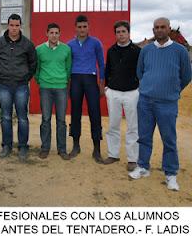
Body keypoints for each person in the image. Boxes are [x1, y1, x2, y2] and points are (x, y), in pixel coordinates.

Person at [129, 17, 191, 191]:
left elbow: (187, 75)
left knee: (169, 139)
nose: (159, 30)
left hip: (167, 103)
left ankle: (171, 174)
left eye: (163, 27)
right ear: (153, 30)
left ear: (169, 29)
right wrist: (149, 86)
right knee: (144, 136)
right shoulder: (146, 50)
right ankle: (142, 167)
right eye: (156, 27)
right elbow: (140, 72)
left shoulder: (180, 51)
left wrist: (173, 91)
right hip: (146, 102)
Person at [0, 14, 36, 162]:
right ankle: (7, 146)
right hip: (4, 86)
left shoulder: (27, 44)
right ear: (7, 26)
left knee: (22, 118)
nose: (14, 29)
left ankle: (23, 147)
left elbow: (33, 64)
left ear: (20, 26)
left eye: (17, 26)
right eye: (12, 25)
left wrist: (25, 78)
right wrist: (0, 75)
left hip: (21, 86)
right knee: (5, 117)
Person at [67, 15, 105, 163]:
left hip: (91, 79)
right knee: (75, 112)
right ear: (75, 28)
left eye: (84, 27)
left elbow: (101, 64)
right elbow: (68, 66)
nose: (82, 29)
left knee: (95, 113)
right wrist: (68, 84)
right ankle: (76, 146)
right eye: (79, 27)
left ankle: (97, 149)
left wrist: (101, 84)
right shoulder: (70, 44)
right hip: (75, 79)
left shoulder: (96, 43)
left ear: (88, 27)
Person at [104, 20, 140, 171]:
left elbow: (141, 70)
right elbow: (108, 70)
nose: (121, 34)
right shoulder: (111, 50)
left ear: (128, 32)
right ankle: (113, 154)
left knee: (133, 126)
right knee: (113, 124)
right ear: (115, 34)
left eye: (123, 31)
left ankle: (132, 159)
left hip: (132, 92)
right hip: (114, 92)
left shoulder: (137, 51)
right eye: (118, 32)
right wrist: (107, 87)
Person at [35, 23, 71, 160]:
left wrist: (63, 81)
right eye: (51, 33)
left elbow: (68, 68)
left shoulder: (66, 49)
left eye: (56, 33)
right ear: (47, 34)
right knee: (45, 119)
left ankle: (62, 150)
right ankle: (45, 148)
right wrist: (41, 81)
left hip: (61, 87)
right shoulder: (39, 50)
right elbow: (36, 69)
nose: (54, 35)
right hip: (45, 88)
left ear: (59, 34)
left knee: (61, 120)